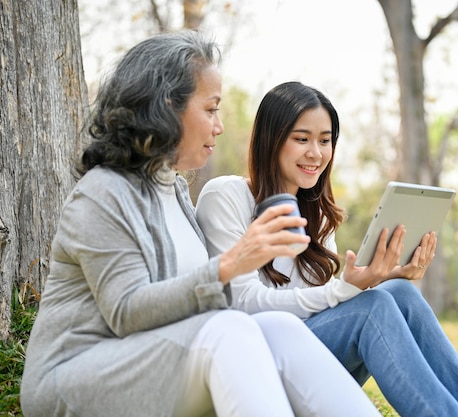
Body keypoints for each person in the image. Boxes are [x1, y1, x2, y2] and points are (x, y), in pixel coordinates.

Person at [20, 33, 383, 417]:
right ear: (167, 108)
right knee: (230, 331)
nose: (220, 125)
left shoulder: (174, 189)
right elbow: (126, 311)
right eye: (211, 110)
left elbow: (194, 301)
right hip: (76, 379)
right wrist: (232, 263)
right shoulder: (104, 193)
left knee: (277, 326)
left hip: (158, 360)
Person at [196, 81, 458, 417]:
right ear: (271, 139)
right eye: (302, 139)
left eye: (325, 141)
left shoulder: (317, 214)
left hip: (314, 358)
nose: (316, 153)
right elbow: (243, 303)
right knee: (373, 308)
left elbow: (325, 309)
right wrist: (341, 292)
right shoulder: (225, 196)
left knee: (398, 291)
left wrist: (379, 276)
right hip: (262, 363)